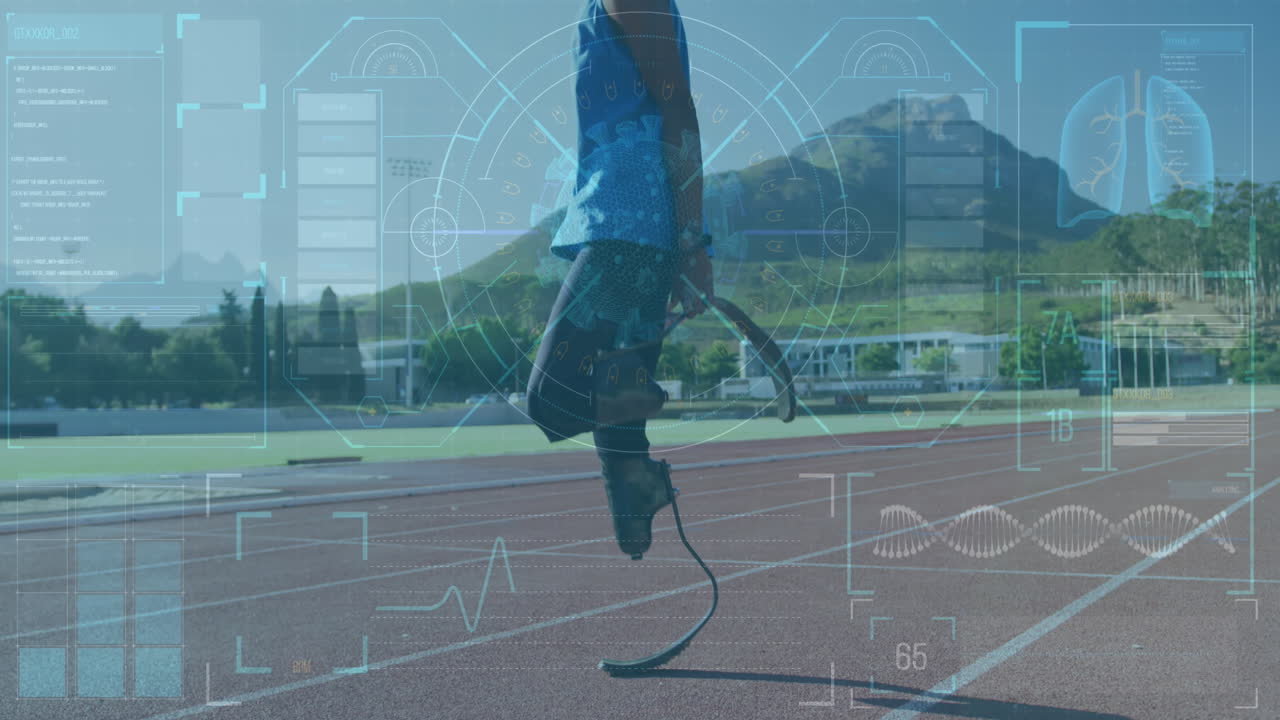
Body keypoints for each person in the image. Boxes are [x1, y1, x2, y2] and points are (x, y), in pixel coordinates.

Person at [526, 0, 713, 560]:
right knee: (628, 519)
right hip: (626, 224)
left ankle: (636, 402)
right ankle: (638, 493)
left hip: (632, 223)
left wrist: (692, 243)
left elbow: (677, 110)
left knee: (552, 399)